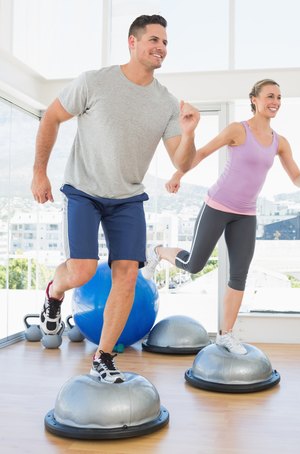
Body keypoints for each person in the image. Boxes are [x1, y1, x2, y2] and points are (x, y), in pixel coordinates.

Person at [31, 14, 200, 384]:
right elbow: (51, 119)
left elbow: (181, 162)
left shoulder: (167, 103)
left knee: (126, 276)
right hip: (84, 190)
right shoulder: (95, 82)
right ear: (132, 42)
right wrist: (39, 171)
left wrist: (188, 134)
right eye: (154, 40)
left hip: (127, 198)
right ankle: (54, 293)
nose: (161, 48)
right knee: (83, 270)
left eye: (166, 43)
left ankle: (103, 357)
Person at [142, 79, 300, 354]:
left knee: (239, 276)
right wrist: (179, 173)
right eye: (269, 96)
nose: (275, 102)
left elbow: (297, 179)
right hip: (216, 205)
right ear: (254, 99)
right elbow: (201, 153)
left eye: (278, 97)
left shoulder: (279, 143)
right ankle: (157, 251)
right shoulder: (238, 130)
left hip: (246, 214)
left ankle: (225, 335)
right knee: (193, 265)